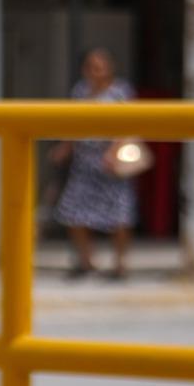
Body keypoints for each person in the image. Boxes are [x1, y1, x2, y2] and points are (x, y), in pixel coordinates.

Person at [52, 50, 137, 280]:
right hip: (85, 163)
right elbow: (74, 124)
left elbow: (130, 124)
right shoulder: (80, 91)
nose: (95, 71)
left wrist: (113, 151)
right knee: (73, 212)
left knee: (119, 215)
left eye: (100, 66)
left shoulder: (120, 91)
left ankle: (120, 264)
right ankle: (86, 261)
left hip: (112, 163)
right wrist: (65, 148)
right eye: (91, 66)